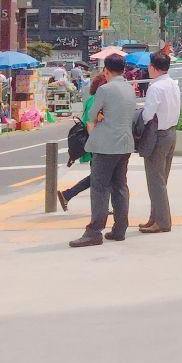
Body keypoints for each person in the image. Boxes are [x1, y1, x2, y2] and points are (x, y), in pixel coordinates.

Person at [69, 53, 134, 248]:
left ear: (106, 70)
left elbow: (91, 114)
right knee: (120, 186)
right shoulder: (130, 89)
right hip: (125, 145)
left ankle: (94, 232)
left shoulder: (104, 89)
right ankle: (120, 228)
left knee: (99, 188)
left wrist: (100, 116)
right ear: (123, 70)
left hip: (106, 146)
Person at [139, 51, 181, 234]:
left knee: (155, 180)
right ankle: (154, 218)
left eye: (149, 66)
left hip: (158, 135)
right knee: (161, 179)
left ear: (154, 68)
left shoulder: (155, 87)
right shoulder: (173, 84)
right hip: (171, 133)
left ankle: (162, 222)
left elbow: (148, 115)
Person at [57, 73, 106, 210]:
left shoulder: (91, 99)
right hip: (94, 142)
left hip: (92, 141)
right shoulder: (96, 100)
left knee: (98, 176)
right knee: (99, 177)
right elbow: (91, 123)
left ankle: (68, 195)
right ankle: (68, 194)